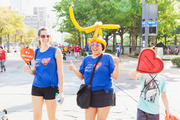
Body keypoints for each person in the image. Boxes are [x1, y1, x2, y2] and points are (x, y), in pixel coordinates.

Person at [69, 36, 120, 120]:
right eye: (92, 44)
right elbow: (81, 77)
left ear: (102, 46)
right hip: (89, 94)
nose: (94, 46)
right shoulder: (87, 59)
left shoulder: (107, 57)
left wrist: (117, 64)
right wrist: (74, 69)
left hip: (104, 93)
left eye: (97, 44)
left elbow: (115, 76)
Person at [23, 28, 64, 120]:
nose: (45, 38)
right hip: (36, 87)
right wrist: (28, 70)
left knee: (51, 117)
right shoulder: (36, 52)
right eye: (43, 36)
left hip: (51, 88)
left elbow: (60, 72)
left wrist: (61, 92)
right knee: (36, 116)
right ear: (39, 38)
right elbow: (35, 72)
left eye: (47, 36)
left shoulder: (56, 51)